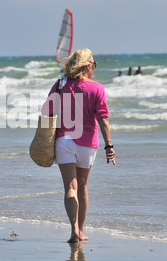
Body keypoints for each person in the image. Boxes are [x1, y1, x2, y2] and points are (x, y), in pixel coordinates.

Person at [41, 48, 116, 243]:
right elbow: (103, 119)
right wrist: (109, 146)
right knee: (82, 186)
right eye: (93, 64)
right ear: (86, 65)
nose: (94, 67)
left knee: (70, 188)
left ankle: (73, 228)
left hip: (64, 141)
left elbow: (46, 111)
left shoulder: (60, 84)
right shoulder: (97, 88)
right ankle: (81, 231)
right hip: (87, 144)